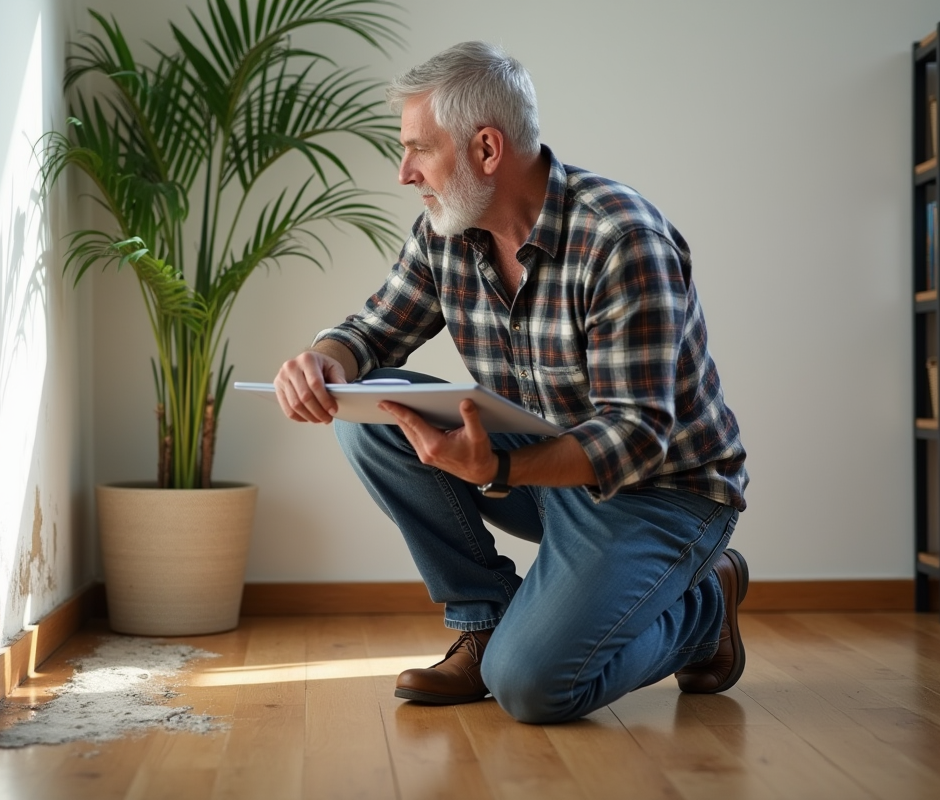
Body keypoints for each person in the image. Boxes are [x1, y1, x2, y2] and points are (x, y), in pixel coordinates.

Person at [272, 41, 749, 724]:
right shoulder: (447, 232)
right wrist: (324, 361)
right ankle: (484, 622)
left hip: (661, 493)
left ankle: (706, 605)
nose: (405, 173)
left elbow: (636, 436)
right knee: (374, 412)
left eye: (419, 150)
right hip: (543, 474)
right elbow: (372, 333)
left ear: (487, 150)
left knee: (531, 688)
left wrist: (498, 467)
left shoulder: (620, 239)